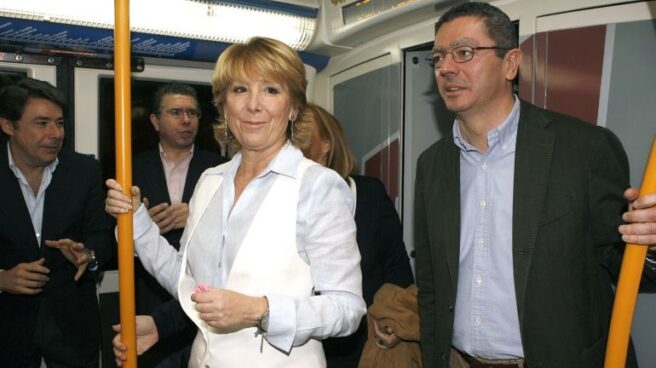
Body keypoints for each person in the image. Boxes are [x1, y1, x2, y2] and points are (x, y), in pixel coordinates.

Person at [414, 2, 656, 368]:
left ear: (511, 63)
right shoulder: (431, 165)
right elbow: (431, 285)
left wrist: (650, 243)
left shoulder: (584, 149)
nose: (446, 68)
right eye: (438, 58)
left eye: (464, 53)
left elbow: (624, 263)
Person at [105, 36, 366, 368]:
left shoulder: (318, 186)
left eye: (271, 90)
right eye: (240, 90)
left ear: (294, 107)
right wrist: (136, 222)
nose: (253, 105)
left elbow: (347, 309)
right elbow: (189, 282)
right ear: (223, 105)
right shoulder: (210, 181)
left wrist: (259, 310)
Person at [0, 77, 113, 367]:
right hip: (7, 328)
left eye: (60, 123)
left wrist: (88, 255)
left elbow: (101, 235)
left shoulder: (84, 170)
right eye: (41, 123)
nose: (55, 134)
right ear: (8, 126)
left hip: (72, 327)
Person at [302, 103, 414, 367]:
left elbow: (397, 269)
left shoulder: (368, 196)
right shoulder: (276, 201)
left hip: (361, 347)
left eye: (302, 139)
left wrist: (396, 323)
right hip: (295, 346)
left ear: (326, 145)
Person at [130, 82, 227, 367]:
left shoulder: (220, 169)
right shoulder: (131, 167)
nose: (186, 120)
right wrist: (141, 227)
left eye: (192, 113)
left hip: (206, 299)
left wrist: (196, 215)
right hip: (151, 294)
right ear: (155, 121)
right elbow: (113, 236)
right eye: (175, 112)